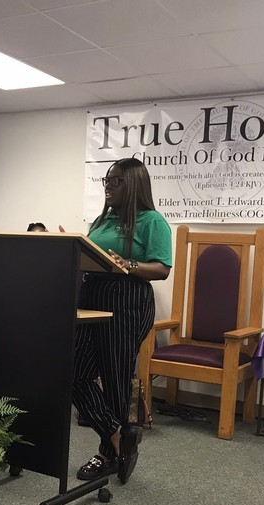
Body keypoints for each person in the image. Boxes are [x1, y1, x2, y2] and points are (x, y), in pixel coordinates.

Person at [72, 157, 172, 484]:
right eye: (107, 180)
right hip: (91, 297)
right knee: (74, 373)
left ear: (134, 185)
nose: (108, 186)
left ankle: (106, 454)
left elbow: (162, 269)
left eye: (116, 181)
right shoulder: (103, 220)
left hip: (125, 299)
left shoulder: (151, 221)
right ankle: (117, 433)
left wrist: (129, 264)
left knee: (115, 378)